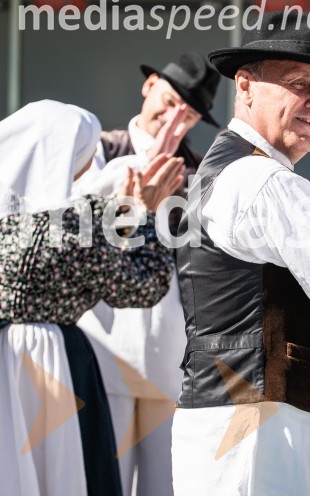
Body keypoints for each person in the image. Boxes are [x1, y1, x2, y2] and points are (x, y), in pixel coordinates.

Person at [170, 11, 310, 496]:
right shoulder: (260, 180)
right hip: (259, 433)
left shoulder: (253, 173)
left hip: (259, 427)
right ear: (245, 86)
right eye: (300, 83)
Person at [0, 100, 182, 496]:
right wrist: (147, 216)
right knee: (59, 470)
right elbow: (140, 286)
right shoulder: (65, 227)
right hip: (48, 362)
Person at [74, 52, 220, 496]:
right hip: (103, 341)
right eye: (171, 99)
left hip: (168, 350)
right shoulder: (98, 149)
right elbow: (78, 223)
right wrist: (140, 171)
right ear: (149, 84)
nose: (175, 116)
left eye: (189, 112)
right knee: (103, 478)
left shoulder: (197, 172)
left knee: (165, 482)